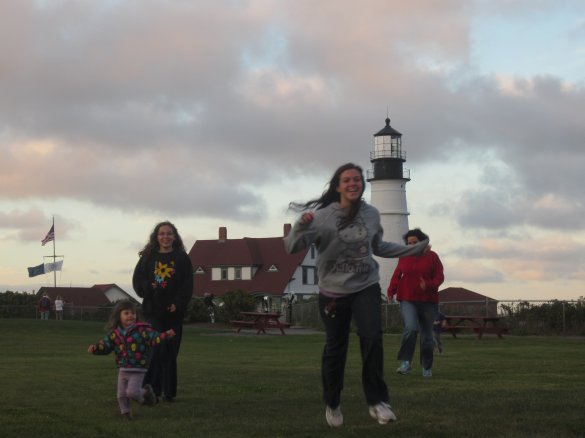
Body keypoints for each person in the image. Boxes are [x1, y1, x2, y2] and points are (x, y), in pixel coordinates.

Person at [284, 163, 429, 427]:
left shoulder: (371, 214)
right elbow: (292, 247)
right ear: (338, 186)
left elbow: (379, 247)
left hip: (366, 286)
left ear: (362, 184)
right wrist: (299, 227)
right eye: (347, 180)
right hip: (333, 293)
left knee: (372, 337)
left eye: (357, 179)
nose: (353, 183)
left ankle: (377, 401)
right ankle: (332, 403)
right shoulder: (323, 216)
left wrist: (413, 250)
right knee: (335, 349)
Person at [132, 221, 193, 403]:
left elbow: (187, 284)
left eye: (169, 233)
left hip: (173, 314)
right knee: (155, 350)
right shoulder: (148, 257)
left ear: (174, 237)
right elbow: (137, 281)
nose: (165, 237)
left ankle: (168, 392)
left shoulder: (182, 258)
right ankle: (150, 391)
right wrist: (148, 287)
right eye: (162, 234)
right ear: (156, 237)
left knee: (170, 352)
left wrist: (178, 303)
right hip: (153, 311)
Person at [88, 300, 174, 420]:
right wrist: (96, 349)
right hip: (123, 368)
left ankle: (146, 394)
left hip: (138, 368)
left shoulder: (142, 330)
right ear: (119, 315)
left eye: (133, 313)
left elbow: (154, 338)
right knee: (121, 395)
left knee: (132, 392)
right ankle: (126, 414)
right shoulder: (115, 334)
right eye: (126, 313)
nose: (130, 315)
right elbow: (106, 345)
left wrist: (165, 335)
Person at [388, 228, 444, 378]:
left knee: (427, 337)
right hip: (407, 298)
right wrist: (391, 290)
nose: (411, 245)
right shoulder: (404, 256)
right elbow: (397, 274)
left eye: (415, 242)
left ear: (422, 242)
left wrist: (429, 285)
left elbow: (440, 277)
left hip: (428, 301)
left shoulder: (432, 256)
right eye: (409, 243)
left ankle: (426, 366)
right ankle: (406, 363)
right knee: (411, 328)